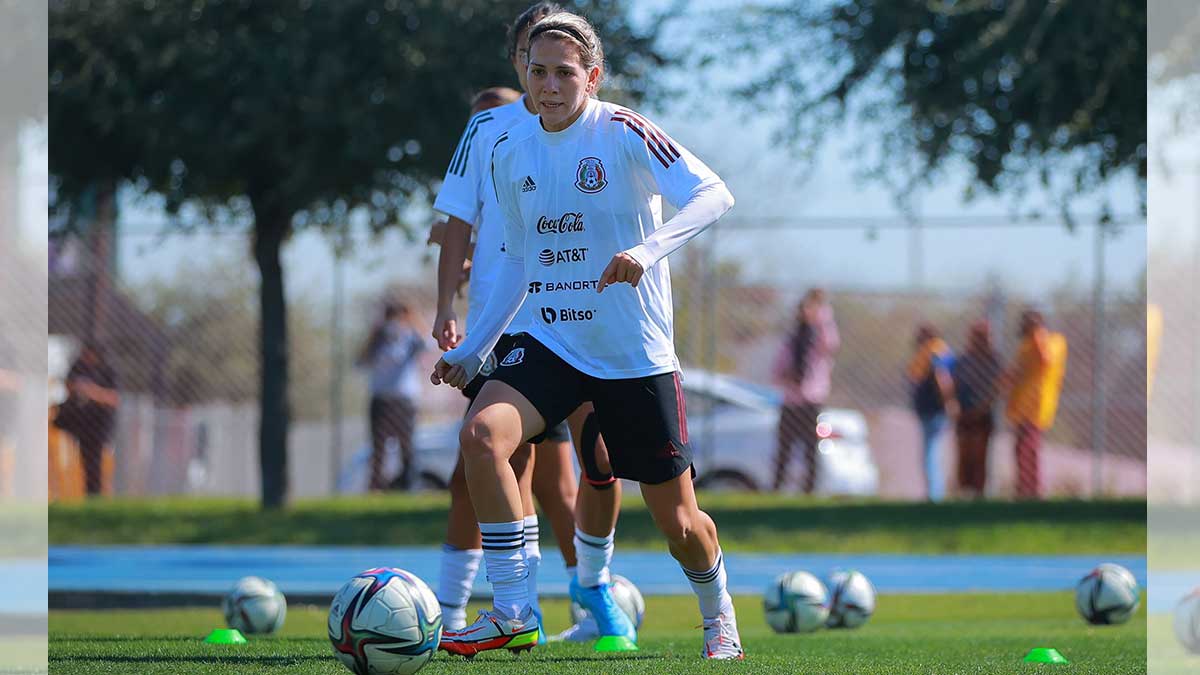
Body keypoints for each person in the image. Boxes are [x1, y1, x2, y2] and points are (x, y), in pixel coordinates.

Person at [431, 11, 743, 659]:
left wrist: (648, 250)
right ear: (523, 71)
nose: (548, 85)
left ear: (592, 77)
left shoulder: (623, 130)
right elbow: (518, 258)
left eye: (564, 73)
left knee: (680, 523)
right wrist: (473, 348)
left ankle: (718, 615)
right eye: (537, 71)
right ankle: (514, 608)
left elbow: (713, 194)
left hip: (631, 353)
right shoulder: (508, 145)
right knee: (484, 437)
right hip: (548, 339)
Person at [428, 2, 631, 648]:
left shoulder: (593, 130)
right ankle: (482, 607)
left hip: (580, 321)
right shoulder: (489, 129)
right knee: (489, 459)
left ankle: (591, 591)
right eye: (528, 56)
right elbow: (455, 222)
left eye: (554, 62)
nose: (539, 72)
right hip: (505, 330)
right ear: (519, 58)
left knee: (586, 468)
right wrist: (449, 309)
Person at [770, 288, 839, 493]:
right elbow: (776, 371)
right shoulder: (791, 341)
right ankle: (777, 487)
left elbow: (831, 342)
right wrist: (787, 376)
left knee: (811, 449)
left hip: (811, 400)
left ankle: (810, 489)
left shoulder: (818, 341)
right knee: (784, 449)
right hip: (791, 401)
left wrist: (822, 311)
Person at [357, 301, 424, 490]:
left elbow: (427, 343)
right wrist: (374, 334)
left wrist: (412, 321)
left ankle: (409, 485)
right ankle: (376, 487)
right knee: (378, 447)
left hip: (404, 399)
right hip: (381, 399)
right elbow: (361, 362)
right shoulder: (377, 340)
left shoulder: (411, 338)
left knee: (407, 446)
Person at [1004, 309, 1068, 499]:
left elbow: (1046, 360)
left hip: (1037, 407)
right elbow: (1016, 372)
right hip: (1020, 406)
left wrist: (1038, 334)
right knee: (1020, 449)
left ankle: (1032, 491)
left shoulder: (1055, 342)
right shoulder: (1025, 345)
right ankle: (1024, 490)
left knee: (1028, 449)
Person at [55, 343, 119, 496]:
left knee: (94, 464)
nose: (87, 358)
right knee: (72, 459)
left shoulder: (107, 370)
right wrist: (76, 388)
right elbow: (67, 385)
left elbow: (114, 398)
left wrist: (92, 392)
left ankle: (94, 496)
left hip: (98, 425)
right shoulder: (78, 366)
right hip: (76, 422)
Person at [906, 323, 957, 503]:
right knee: (933, 451)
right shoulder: (939, 351)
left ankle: (935, 495)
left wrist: (948, 401)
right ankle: (936, 492)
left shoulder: (935, 352)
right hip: (932, 410)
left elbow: (942, 377)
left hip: (933, 410)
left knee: (930, 453)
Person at [951, 320, 1001, 498]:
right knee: (964, 454)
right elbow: (953, 384)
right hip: (964, 413)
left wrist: (982, 407)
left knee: (980, 455)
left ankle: (979, 492)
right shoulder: (963, 360)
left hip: (983, 414)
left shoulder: (994, 360)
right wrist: (954, 404)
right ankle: (964, 491)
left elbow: (998, 386)